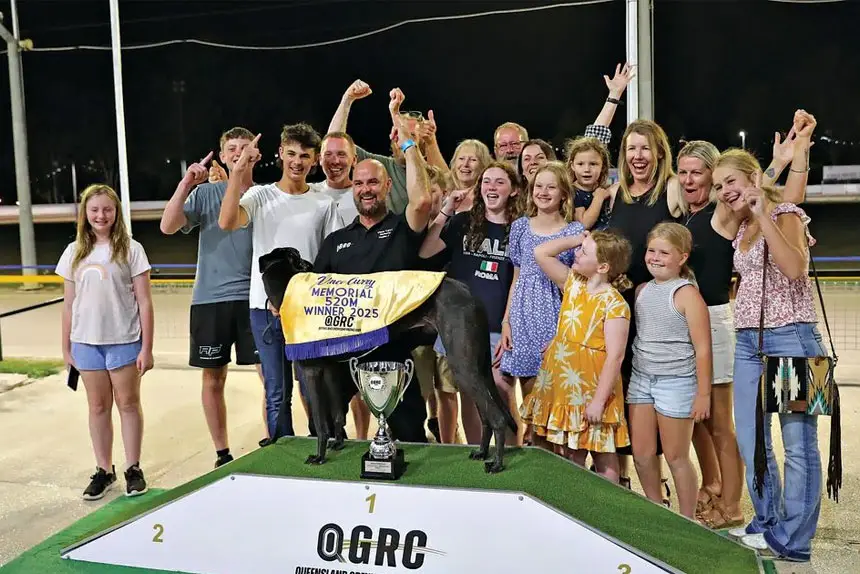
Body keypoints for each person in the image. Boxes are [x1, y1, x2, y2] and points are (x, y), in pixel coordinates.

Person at [714, 149, 825, 562]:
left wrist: (764, 214)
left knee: (798, 446)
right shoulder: (741, 228)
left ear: (754, 177)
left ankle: (794, 540)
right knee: (750, 438)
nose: (725, 191)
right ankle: (767, 519)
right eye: (719, 185)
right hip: (749, 343)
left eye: (731, 181)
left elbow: (794, 268)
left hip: (792, 338)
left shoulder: (786, 214)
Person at [313, 87, 433, 442]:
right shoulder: (336, 242)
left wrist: (409, 142)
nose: (366, 189)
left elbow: (423, 197)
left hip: (395, 354)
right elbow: (314, 294)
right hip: (346, 355)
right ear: (352, 187)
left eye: (374, 183)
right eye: (360, 182)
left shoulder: (402, 226)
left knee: (410, 438)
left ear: (386, 186)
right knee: (330, 430)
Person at [219, 123, 342, 441]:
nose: (297, 162)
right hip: (264, 308)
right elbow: (227, 221)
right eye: (291, 154)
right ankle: (281, 452)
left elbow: (329, 262)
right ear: (280, 154)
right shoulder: (260, 196)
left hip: (308, 312)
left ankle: (323, 443)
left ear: (314, 160)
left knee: (314, 385)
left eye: (304, 156)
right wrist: (237, 173)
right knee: (277, 392)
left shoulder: (323, 204)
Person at [160, 127, 263, 468]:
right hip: (210, 299)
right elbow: (168, 226)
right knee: (213, 377)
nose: (237, 153)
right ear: (222, 156)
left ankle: (274, 439)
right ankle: (222, 452)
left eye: (244, 147)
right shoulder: (206, 195)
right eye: (231, 148)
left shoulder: (266, 195)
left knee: (270, 375)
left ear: (255, 154)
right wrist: (186, 184)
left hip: (254, 300)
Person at [57, 184, 154, 500]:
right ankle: (104, 469)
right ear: (85, 213)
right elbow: (69, 303)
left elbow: (144, 302)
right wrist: (66, 346)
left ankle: (133, 468)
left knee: (128, 404)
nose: (101, 215)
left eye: (107, 209)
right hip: (86, 343)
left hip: (123, 341)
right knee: (97, 406)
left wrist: (147, 347)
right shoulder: (74, 252)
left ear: (116, 213)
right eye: (94, 209)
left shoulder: (131, 249)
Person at [420, 161, 523, 445]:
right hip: (461, 326)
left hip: (497, 327)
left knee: (501, 390)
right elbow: (427, 251)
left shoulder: (519, 229)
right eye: (486, 181)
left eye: (500, 182)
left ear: (514, 190)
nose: (492, 187)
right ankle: (478, 454)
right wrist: (447, 210)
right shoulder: (464, 222)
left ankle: (513, 455)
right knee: (468, 392)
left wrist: (509, 322)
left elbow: (519, 280)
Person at [523, 229, 633, 483]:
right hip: (561, 382)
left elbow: (615, 356)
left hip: (591, 388)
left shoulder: (614, 304)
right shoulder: (573, 282)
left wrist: (598, 400)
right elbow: (541, 252)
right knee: (570, 449)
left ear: (603, 266)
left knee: (601, 450)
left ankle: (607, 505)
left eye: (584, 251)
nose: (576, 252)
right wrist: (577, 239)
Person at [627, 223, 712, 519]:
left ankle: (686, 520)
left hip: (676, 383)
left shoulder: (687, 294)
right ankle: (656, 511)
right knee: (642, 454)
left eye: (664, 252)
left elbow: (702, 349)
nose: (655, 257)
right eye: (652, 251)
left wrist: (703, 394)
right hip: (641, 380)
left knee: (676, 457)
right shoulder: (641, 291)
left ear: (682, 257)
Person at [498, 162, 585, 442]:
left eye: (551, 186)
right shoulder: (520, 227)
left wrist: (567, 331)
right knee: (531, 405)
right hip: (523, 318)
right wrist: (507, 320)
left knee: (554, 401)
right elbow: (517, 276)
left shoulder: (574, 230)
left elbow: (578, 286)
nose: (543, 192)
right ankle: (533, 453)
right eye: (538, 186)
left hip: (557, 317)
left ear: (564, 194)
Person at [327, 80, 447, 214]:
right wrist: (347, 100)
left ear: (421, 141)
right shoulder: (380, 166)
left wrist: (431, 142)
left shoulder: (432, 173)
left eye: (411, 135)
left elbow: (450, 185)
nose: (403, 140)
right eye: (400, 133)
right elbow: (333, 144)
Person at [567, 136, 613, 230]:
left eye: (593, 164)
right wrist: (598, 198)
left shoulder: (604, 189)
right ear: (572, 166)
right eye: (580, 164)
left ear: (603, 166)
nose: (587, 169)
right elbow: (583, 225)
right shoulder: (572, 192)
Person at [446, 139, 493, 213]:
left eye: (473, 160)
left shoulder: (488, 200)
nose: (465, 164)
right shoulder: (443, 195)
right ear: (454, 163)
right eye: (461, 158)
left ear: (484, 166)